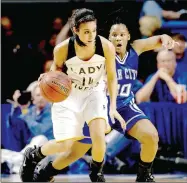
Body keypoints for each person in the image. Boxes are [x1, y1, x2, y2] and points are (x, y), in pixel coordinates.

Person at [31, 21, 176, 182]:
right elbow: (70, 54)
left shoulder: (135, 48)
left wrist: (164, 37)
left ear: (128, 36)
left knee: (151, 136)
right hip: (98, 107)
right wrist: (51, 75)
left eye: (122, 34)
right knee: (75, 152)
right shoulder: (97, 52)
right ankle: (46, 171)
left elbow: (156, 40)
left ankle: (143, 176)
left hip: (124, 106)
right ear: (108, 39)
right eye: (114, 35)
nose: (118, 38)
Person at [19, 8, 125, 182]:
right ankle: (33, 155)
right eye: (86, 32)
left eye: (94, 30)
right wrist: (48, 78)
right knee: (66, 145)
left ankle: (97, 173)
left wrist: (112, 106)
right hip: (69, 96)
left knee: (98, 135)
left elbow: (112, 77)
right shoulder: (62, 49)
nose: (91, 35)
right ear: (75, 30)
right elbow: (56, 72)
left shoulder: (106, 46)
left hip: (94, 92)